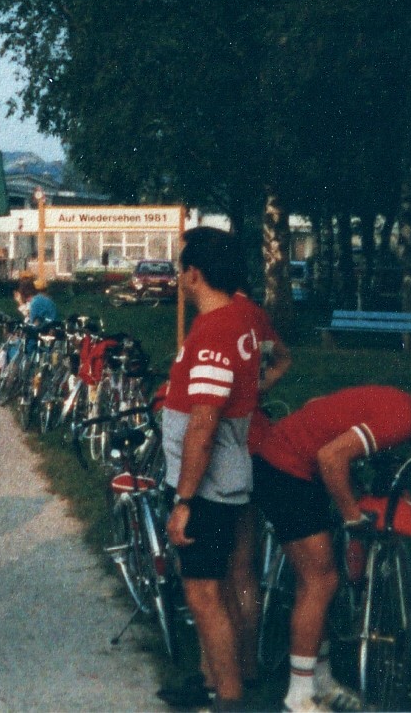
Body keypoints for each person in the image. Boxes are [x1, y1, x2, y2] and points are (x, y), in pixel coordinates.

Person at [254, 389, 411, 712]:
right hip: (287, 468)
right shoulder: (404, 420)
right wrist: (353, 518)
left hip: (283, 462)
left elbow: (315, 405)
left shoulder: (406, 407)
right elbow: (330, 458)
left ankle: (318, 680)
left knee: (320, 582)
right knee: (320, 582)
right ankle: (298, 696)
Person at [162, 227, 259, 712]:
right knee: (223, 586)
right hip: (230, 478)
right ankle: (217, 681)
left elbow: (203, 425)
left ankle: (230, 699)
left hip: (208, 487)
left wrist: (183, 501)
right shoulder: (236, 321)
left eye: (181, 270)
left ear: (193, 274)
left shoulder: (215, 333)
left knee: (204, 596)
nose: (179, 278)